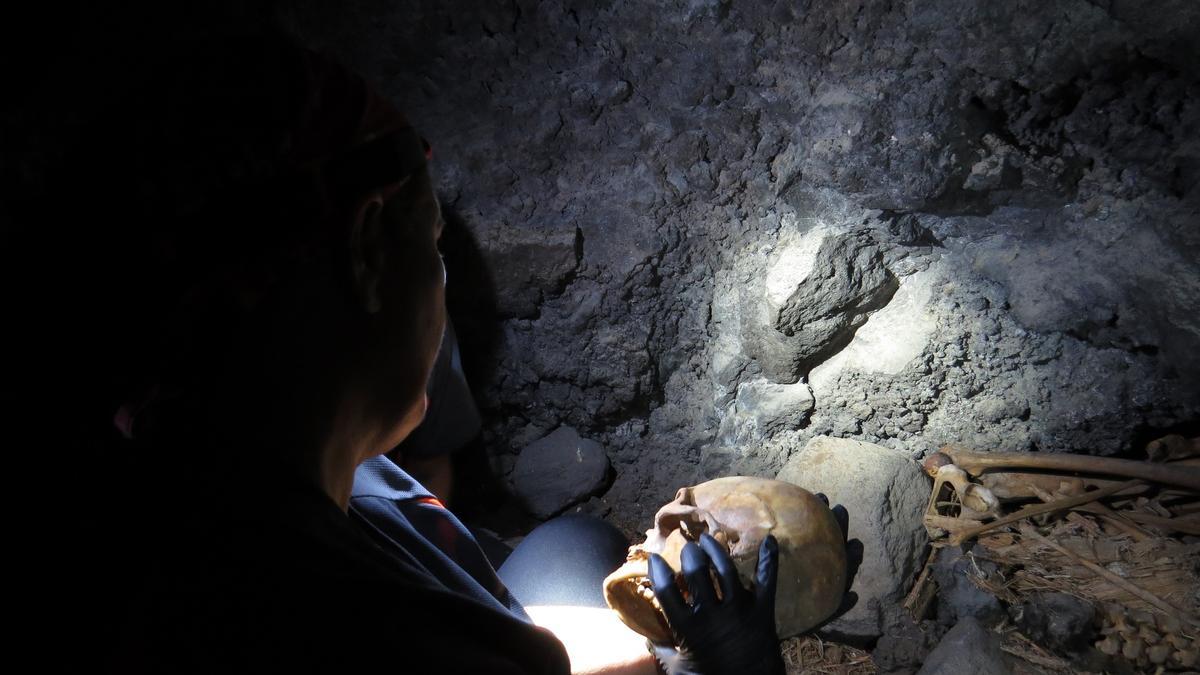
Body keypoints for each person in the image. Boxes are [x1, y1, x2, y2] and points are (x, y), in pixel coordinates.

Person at [44, 30, 786, 674]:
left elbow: (508, 633)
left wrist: (649, 646)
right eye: (432, 244)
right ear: (367, 254)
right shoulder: (362, 630)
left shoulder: (266, 464)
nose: (441, 281)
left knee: (573, 543)